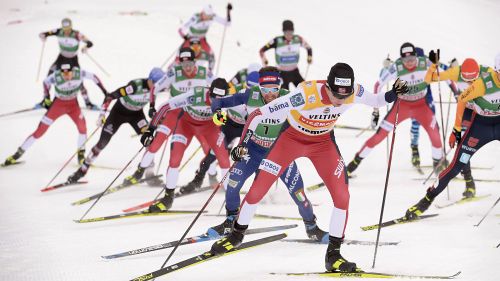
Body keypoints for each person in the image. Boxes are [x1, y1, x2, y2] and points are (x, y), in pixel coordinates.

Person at [209, 63, 408, 272]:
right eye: (335, 96)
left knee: (342, 197)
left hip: (322, 144)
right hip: (291, 139)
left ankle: (334, 255)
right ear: (328, 87)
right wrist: (241, 145)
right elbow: (257, 114)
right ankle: (236, 235)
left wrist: (394, 93)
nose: (339, 102)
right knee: (258, 189)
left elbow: (377, 100)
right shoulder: (305, 94)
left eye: (344, 97)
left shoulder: (353, 91)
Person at [206, 66, 329, 241]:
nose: (270, 94)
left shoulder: (290, 96)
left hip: (280, 152)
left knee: (299, 194)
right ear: (259, 87)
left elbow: (315, 105)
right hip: (253, 150)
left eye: (274, 90)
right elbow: (219, 102)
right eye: (265, 90)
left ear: (279, 87)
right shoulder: (251, 95)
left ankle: (312, 227)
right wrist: (217, 113)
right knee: (232, 185)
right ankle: (231, 221)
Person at [405, 53, 500, 218]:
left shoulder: (486, 71)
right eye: (466, 79)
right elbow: (462, 98)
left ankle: (469, 183)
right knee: (456, 164)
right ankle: (427, 199)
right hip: (478, 123)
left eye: (473, 78)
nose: (469, 82)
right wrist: (456, 129)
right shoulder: (480, 83)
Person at [347, 42, 446, 176]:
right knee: (379, 136)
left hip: (422, 106)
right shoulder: (397, 67)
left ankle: (438, 163)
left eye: (412, 59)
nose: (409, 63)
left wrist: (457, 92)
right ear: (401, 59)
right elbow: (378, 85)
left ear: (417, 56)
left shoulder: (425, 63)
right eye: (405, 60)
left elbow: (446, 73)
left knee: (435, 135)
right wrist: (376, 110)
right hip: (402, 106)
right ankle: (354, 163)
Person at [123, 48, 213, 185]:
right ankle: (139, 172)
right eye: (183, 65)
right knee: (157, 142)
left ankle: (212, 176)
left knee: (208, 147)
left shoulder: (204, 73)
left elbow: (220, 87)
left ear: (195, 62)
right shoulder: (174, 73)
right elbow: (155, 89)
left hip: (196, 115)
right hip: (175, 112)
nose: (187, 68)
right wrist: (152, 106)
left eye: (189, 64)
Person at [144, 79, 232, 212]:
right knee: (174, 160)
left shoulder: (229, 100)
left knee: (224, 159)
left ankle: (231, 201)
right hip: (186, 125)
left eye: (221, 99)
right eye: (214, 98)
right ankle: (168, 198)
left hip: (209, 127)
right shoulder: (195, 96)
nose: (216, 102)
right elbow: (165, 106)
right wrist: (151, 128)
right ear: (209, 93)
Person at [66, 69, 164, 183]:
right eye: (156, 83)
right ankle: (82, 171)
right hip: (118, 113)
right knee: (102, 142)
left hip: (136, 115)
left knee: (149, 140)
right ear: (150, 80)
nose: (157, 87)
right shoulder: (135, 86)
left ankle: (149, 173)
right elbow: (110, 96)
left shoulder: (157, 88)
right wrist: (101, 115)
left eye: (159, 84)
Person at [3, 64, 107, 166]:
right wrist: (46, 97)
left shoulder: (79, 73)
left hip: (73, 106)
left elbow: (94, 77)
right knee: (40, 131)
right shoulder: (55, 76)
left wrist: (104, 91)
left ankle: (81, 155)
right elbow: (45, 82)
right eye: (63, 73)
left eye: (68, 73)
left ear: (73, 71)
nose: (66, 75)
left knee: (82, 127)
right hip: (58, 106)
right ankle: (16, 155)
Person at [179, 67, 261, 193]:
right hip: (229, 125)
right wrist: (219, 116)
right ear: (246, 83)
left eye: (255, 87)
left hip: (248, 127)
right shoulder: (234, 89)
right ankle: (198, 180)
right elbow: (218, 101)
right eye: (249, 86)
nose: (251, 91)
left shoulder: (263, 96)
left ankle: (258, 187)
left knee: (255, 155)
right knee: (213, 153)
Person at [39, 18, 97, 109]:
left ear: (71, 27)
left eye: (68, 30)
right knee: (50, 76)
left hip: (72, 60)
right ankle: (46, 100)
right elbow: (45, 33)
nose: (66, 32)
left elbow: (90, 43)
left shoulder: (76, 34)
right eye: (64, 30)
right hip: (61, 58)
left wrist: (85, 47)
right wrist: (43, 36)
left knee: (79, 80)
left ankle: (88, 103)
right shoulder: (58, 31)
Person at [259, 20, 312, 89]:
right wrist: (264, 59)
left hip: (294, 71)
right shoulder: (277, 41)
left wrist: (309, 57)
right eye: (286, 32)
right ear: (283, 32)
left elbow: (309, 48)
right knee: (284, 95)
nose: (289, 35)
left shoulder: (298, 39)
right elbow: (261, 50)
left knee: (305, 89)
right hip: (281, 73)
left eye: (291, 32)